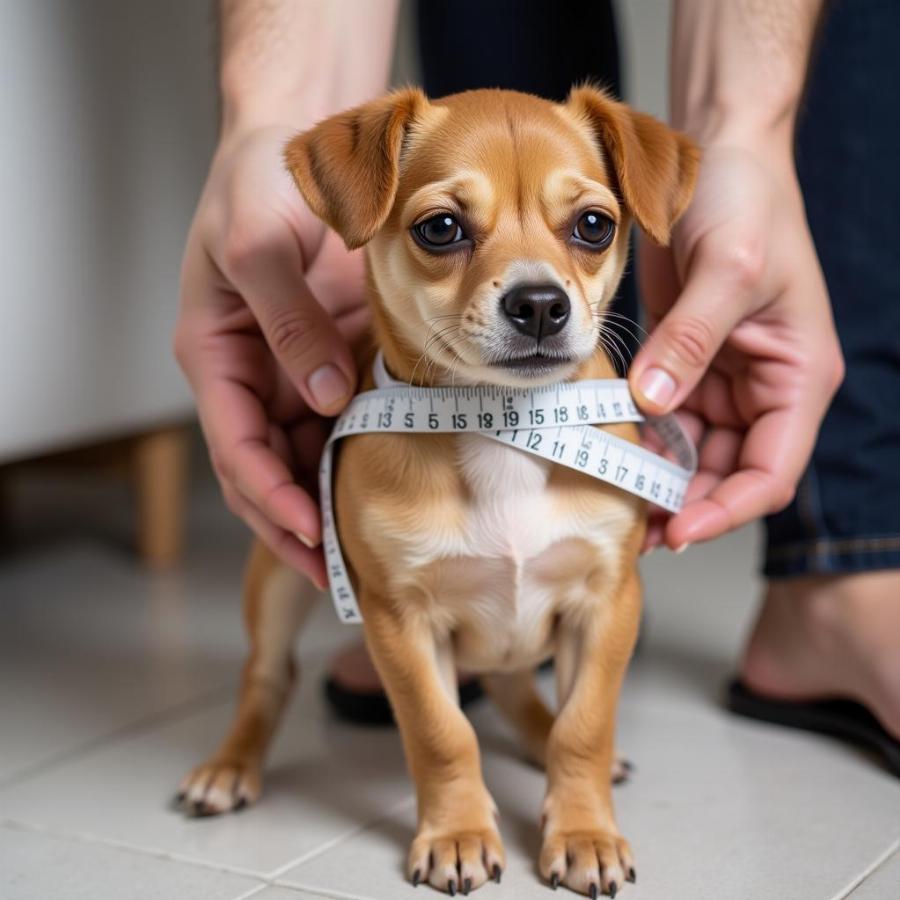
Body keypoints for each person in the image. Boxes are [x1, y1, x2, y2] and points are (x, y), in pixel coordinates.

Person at [175, 0, 900, 766]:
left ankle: (845, 565)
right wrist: (271, 115)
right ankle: (412, 667)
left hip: (580, 464)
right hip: (403, 456)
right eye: (445, 229)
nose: (538, 289)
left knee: (598, 594)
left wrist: (743, 135)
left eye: (589, 227)